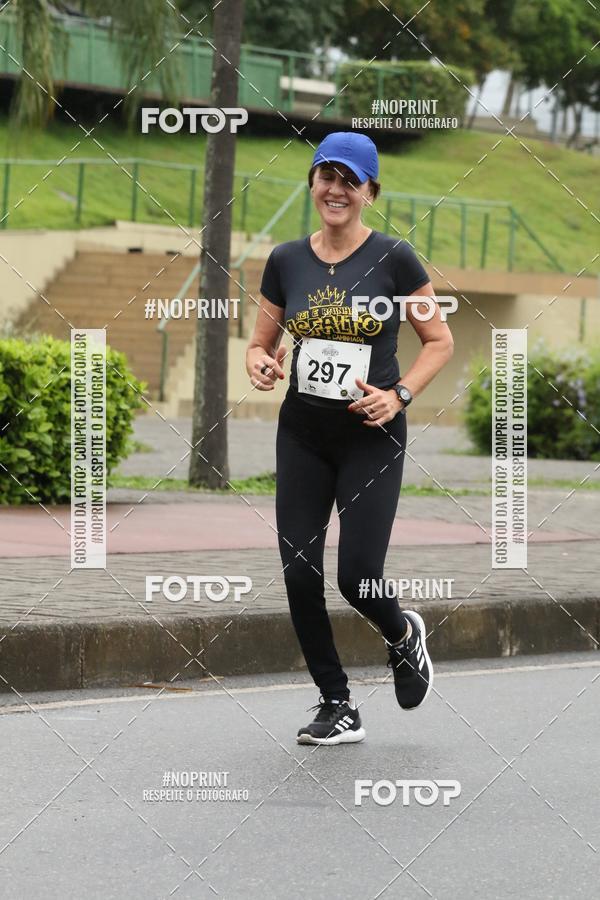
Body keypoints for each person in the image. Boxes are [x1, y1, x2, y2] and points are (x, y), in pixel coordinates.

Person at [246, 132, 454, 745]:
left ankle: (402, 633)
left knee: (357, 575)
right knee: (299, 571)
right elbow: (262, 342)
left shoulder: (395, 258)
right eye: (325, 176)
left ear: (370, 191)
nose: (335, 189)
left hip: (372, 434)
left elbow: (438, 341)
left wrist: (400, 395)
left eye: (349, 179)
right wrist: (259, 361)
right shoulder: (287, 259)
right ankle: (336, 702)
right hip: (304, 433)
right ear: (312, 183)